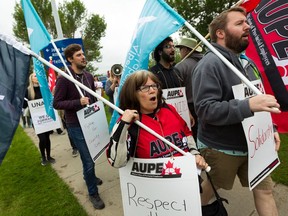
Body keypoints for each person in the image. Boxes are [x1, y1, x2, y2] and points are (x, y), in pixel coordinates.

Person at [192, 7, 281, 215]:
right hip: (222, 148)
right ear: (220, 33)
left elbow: (259, 98)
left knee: (265, 192)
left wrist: (271, 127)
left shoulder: (246, 62)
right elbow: (205, 110)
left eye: (246, 22)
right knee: (210, 192)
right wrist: (247, 106)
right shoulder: (209, 64)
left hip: (256, 144)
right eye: (239, 23)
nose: (248, 26)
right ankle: (190, 208)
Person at [106, 70, 208, 171]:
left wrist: (195, 153)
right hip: (156, 183)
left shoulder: (169, 109)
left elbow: (186, 132)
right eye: (145, 88)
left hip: (186, 176)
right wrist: (124, 124)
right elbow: (117, 162)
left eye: (154, 86)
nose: (152, 90)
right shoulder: (128, 122)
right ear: (132, 93)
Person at [53, 44, 105, 210]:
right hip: (76, 125)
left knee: (93, 154)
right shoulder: (64, 78)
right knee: (88, 159)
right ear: (70, 59)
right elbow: (57, 103)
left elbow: (91, 97)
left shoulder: (89, 76)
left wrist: (97, 98)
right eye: (78, 55)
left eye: (83, 54)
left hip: (91, 122)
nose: (83, 57)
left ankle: (89, 176)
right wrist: (77, 102)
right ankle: (92, 192)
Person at [175, 37, 203, 142]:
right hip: (207, 107)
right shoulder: (207, 62)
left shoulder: (181, 66)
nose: (179, 52)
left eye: (180, 49)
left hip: (189, 110)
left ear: (186, 50)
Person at [27, 73, 55, 166]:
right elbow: (23, 105)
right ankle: (43, 157)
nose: (37, 77)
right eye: (35, 76)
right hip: (36, 120)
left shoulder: (44, 89)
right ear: (31, 79)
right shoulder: (28, 91)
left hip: (46, 118)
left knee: (47, 138)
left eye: (37, 75)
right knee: (42, 139)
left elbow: (50, 100)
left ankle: (49, 156)